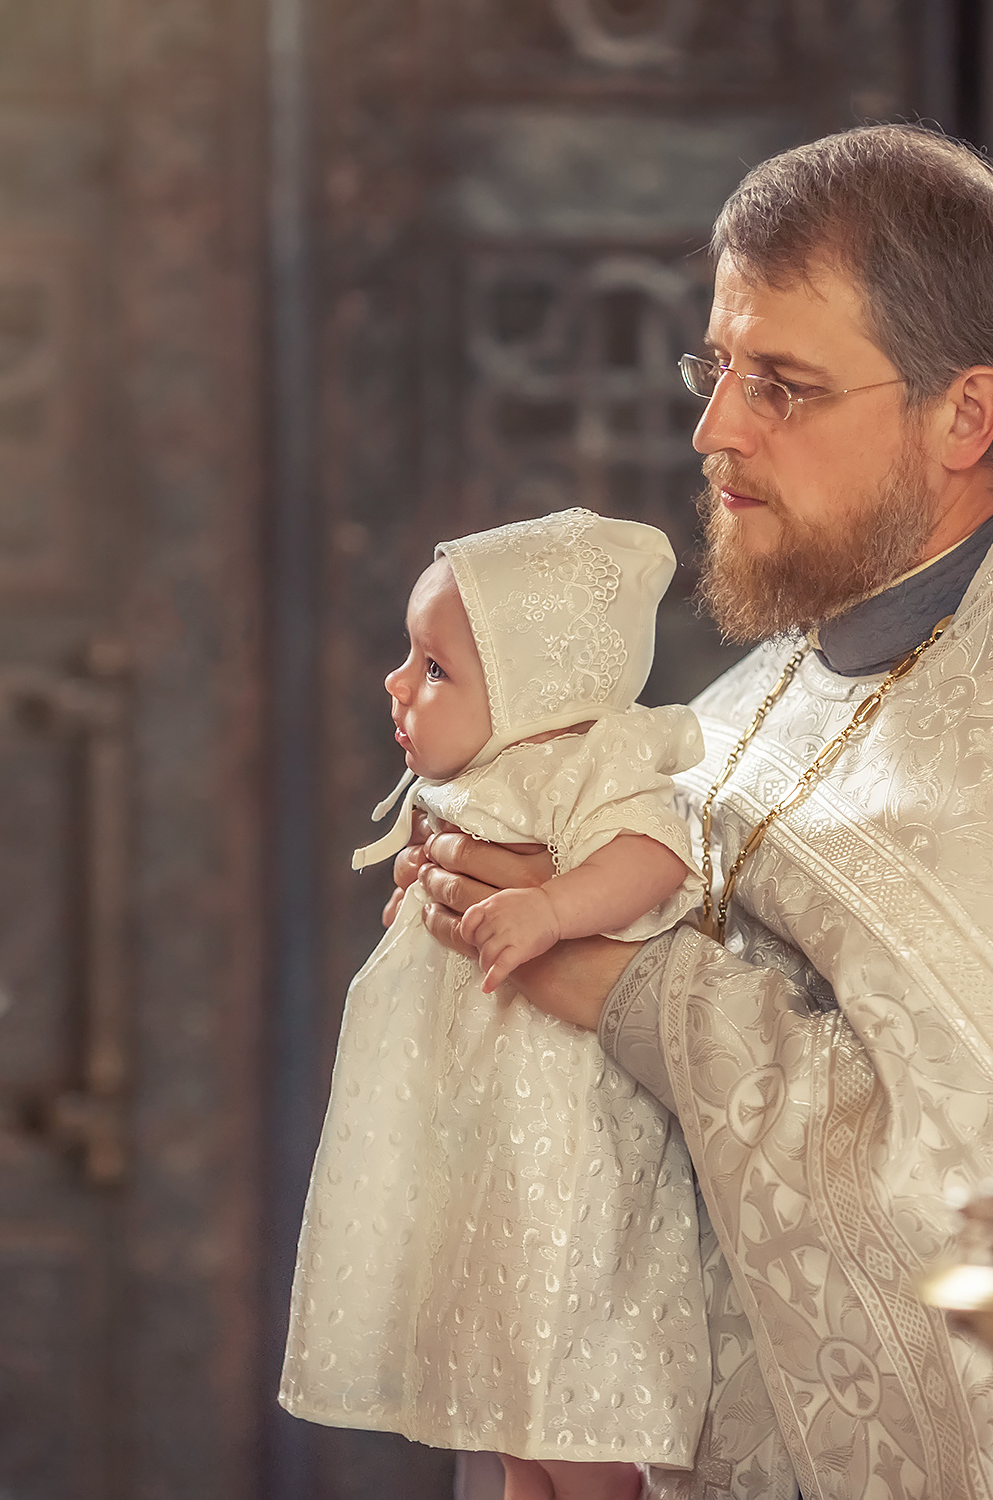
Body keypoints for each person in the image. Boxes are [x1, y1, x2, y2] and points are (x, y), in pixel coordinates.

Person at [396, 125, 993, 1500]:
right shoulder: (779, 675)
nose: (713, 429)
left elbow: (957, 1208)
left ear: (962, 416)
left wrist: (613, 985)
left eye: (782, 386)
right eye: (717, 365)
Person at [281, 510, 717, 1500]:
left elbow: (654, 854)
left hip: (561, 1129)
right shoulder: (482, 779)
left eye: (434, 668)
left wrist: (553, 906)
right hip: (480, 1127)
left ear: (536, 692)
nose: (398, 683)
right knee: (506, 1391)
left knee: (569, 1372)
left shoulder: (590, 760)